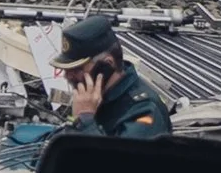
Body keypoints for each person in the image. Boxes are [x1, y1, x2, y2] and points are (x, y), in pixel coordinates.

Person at [52, 9, 173, 138]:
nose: (68, 76)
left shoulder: (145, 111)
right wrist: (74, 120)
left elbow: (114, 158)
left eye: (77, 70)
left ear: (107, 65)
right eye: (67, 70)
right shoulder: (94, 99)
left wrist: (85, 121)